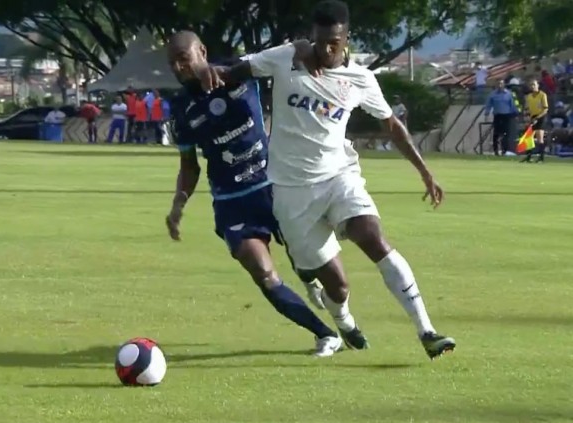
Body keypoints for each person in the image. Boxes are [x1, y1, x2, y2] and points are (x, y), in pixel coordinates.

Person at [194, 0, 455, 359]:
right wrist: (210, 71)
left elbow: (392, 125)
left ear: (346, 39)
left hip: (338, 177)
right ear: (310, 37)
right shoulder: (288, 56)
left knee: (374, 238)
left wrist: (425, 172)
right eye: (318, 42)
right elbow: (239, 70)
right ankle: (345, 322)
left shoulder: (361, 79)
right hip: (290, 189)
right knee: (337, 284)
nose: (325, 50)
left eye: (333, 43)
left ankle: (427, 331)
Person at [164, 30, 347, 357]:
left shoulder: (242, 72)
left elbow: (296, 47)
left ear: (202, 51)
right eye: (173, 63)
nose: (179, 68)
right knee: (263, 273)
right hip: (232, 203)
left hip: (275, 185)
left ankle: (309, 276)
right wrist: (178, 205)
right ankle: (324, 335)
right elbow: (189, 165)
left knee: (306, 259)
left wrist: (306, 49)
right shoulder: (180, 109)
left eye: (184, 59)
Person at [484, 80, 518, 155]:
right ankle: (496, 150)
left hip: (506, 115)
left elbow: (512, 104)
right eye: (498, 83)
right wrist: (486, 114)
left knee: (506, 134)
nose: (500, 85)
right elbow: (488, 105)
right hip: (497, 116)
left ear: (504, 84)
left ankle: (504, 150)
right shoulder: (493, 94)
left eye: (501, 83)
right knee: (496, 134)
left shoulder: (508, 94)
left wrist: (515, 113)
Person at [522, 80, 549, 163]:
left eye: (534, 84)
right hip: (532, 117)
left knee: (540, 137)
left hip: (540, 117)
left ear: (538, 85)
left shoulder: (542, 95)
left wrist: (537, 118)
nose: (532, 86)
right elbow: (527, 108)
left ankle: (541, 157)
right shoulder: (529, 96)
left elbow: (545, 109)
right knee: (529, 137)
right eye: (531, 85)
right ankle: (529, 156)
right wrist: (527, 117)